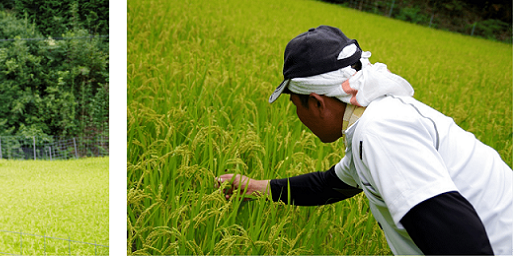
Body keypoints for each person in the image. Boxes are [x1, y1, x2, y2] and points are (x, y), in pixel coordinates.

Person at [215, 25, 512, 255]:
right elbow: (329, 185)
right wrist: (256, 188)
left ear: (318, 103)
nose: (295, 113)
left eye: (294, 103)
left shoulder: (381, 134)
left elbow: (464, 246)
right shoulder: (369, 123)